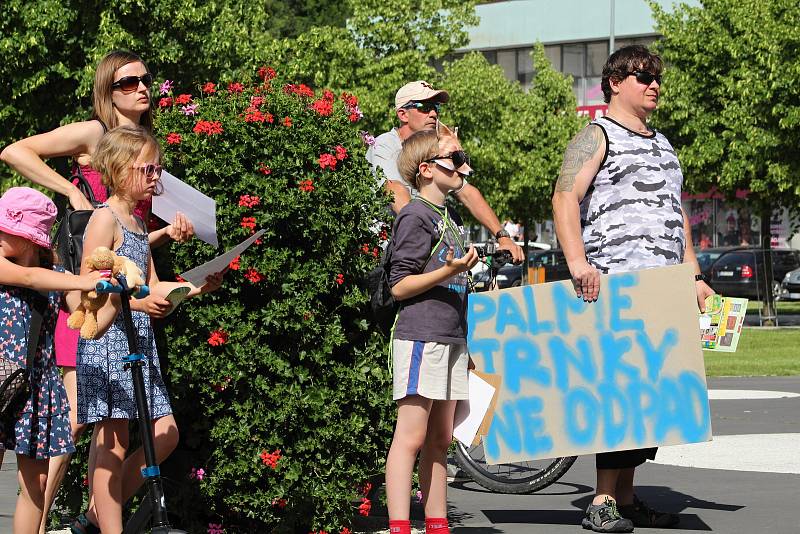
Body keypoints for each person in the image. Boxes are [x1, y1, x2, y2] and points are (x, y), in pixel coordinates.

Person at [0, 49, 194, 534]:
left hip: (121, 297)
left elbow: (129, 239)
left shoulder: (143, 151)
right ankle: (43, 523)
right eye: (128, 82)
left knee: (85, 428)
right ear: (108, 89)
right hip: (85, 290)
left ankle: (84, 521)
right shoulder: (95, 133)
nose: (142, 88)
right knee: (70, 428)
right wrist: (69, 192)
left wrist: (166, 238)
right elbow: (14, 151)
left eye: (147, 79)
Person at [551, 45, 714, 533]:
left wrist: (696, 276)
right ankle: (601, 502)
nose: (653, 84)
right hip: (617, 287)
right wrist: (578, 263)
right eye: (642, 76)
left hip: (665, 289)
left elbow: (674, 213)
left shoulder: (664, 145)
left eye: (656, 76)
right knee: (621, 395)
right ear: (615, 83)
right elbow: (564, 195)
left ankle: (625, 497)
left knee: (653, 399)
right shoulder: (596, 136)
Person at [75, 125, 223, 534]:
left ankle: (94, 518)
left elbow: (151, 285)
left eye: (157, 169)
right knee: (114, 440)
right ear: (121, 170)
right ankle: (109, 526)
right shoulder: (103, 220)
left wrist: (195, 286)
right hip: (108, 339)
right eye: (149, 170)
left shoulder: (137, 223)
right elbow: (91, 289)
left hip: (136, 337)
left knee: (166, 432)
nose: (157, 178)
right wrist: (138, 301)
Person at [384, 127, 479, 534]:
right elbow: (399, 285)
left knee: (441, 438)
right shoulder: (414, 215)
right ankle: (401, 525)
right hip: (422, 336)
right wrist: (449, 270)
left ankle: (437, 523)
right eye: (455, 159)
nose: (464, 167)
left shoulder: (447, 217)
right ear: (426, 170)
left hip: (450, 338)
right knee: (412, 436)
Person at [0, 187, 111, 534]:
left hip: (36, 389)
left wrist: (116, 296)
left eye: (7, 230)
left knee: (37, 483)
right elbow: (32, 278)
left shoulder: (59, 276)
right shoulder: (28, 272)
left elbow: (86, 319)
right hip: (1, 381)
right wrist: (78, 279)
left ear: (32, 240)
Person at [366, 80, 523, 264]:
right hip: (387, 255)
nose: (433, 114)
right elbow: (395, 190)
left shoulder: (433, 148)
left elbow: (467, 193)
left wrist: (503, 237)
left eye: (436, 107)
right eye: (424, 107)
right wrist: (429, 231)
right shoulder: (385, 145)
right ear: (403, 114)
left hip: (425, 247)